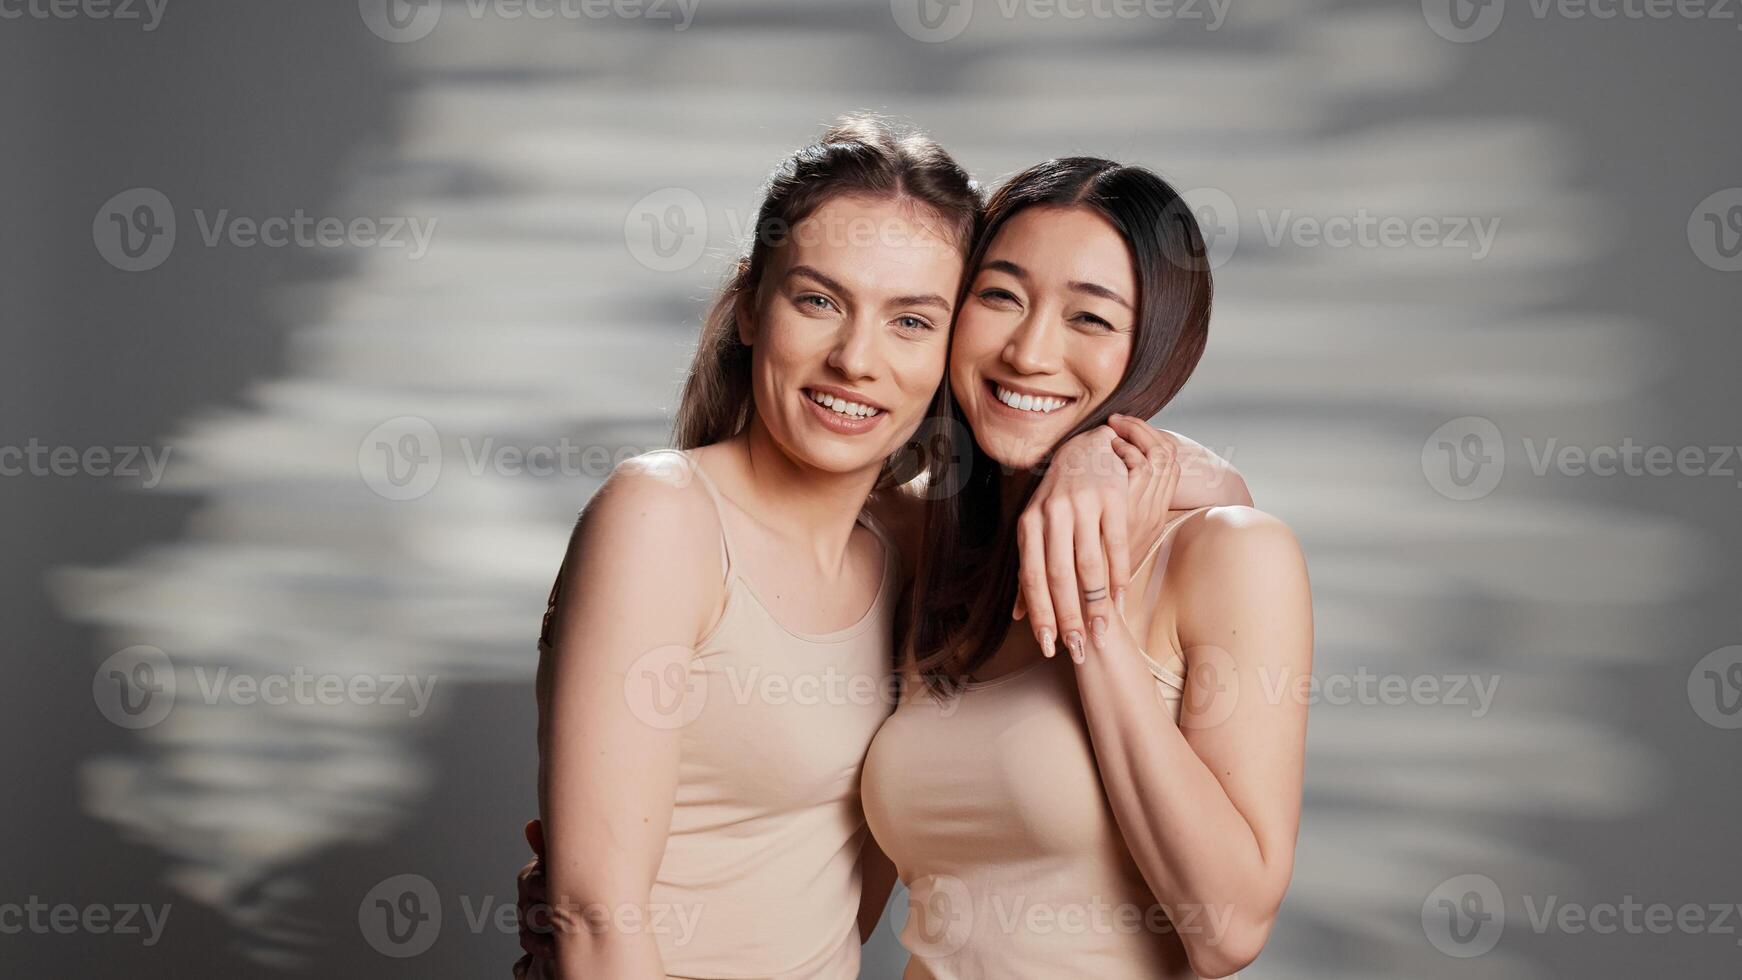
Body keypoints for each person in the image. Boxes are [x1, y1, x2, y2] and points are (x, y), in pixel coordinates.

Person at [520, 120, 1250, 980]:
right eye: (819, 301)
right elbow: (596, 919)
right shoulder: (663, 515)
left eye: (911, 320)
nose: (856, 360)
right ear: (751, 307)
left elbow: (1228, 501)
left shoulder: (914, 548)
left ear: (949, 348)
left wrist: (1096, 455)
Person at [862, 157, 1313, 979]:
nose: (1030, 352)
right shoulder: (926, 551)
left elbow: (1228, 932)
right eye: (1000, 296)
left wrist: (1093, 613)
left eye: (1092, 320)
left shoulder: (1231, 555)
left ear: (1159, 350)